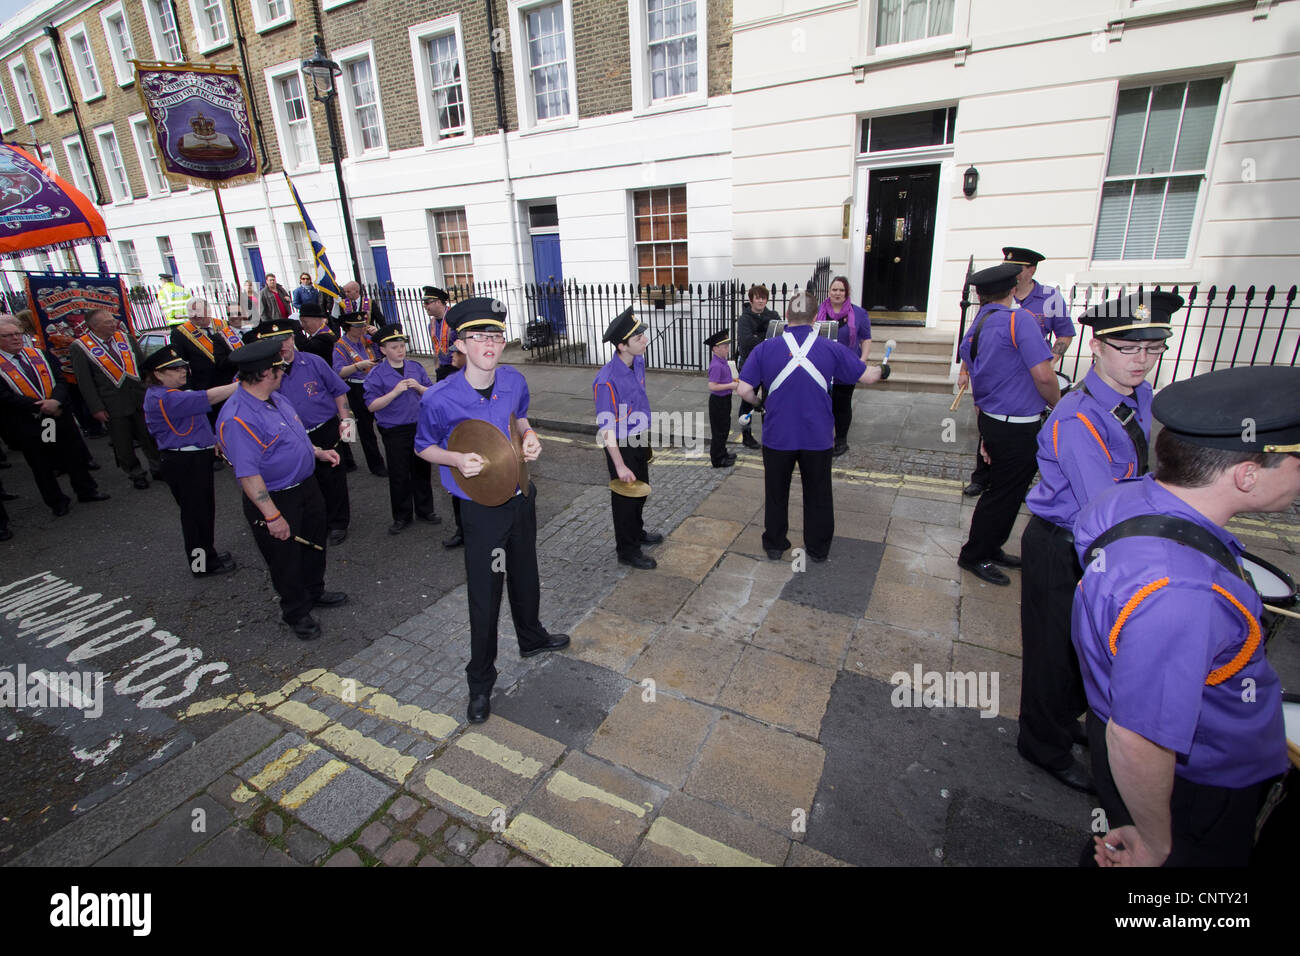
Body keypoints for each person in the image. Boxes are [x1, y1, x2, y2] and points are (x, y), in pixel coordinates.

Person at [1073, 364, 1300, 867]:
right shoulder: (1182, 592)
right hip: (1193, 784)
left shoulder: (1127, 499)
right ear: (1247, 473)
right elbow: (1139, 737)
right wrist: (1157, 843)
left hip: (1141, 750)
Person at [1017, 291, 1179, 795]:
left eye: (1152, 351)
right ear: (1097, 346)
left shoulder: (1139, 397)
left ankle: (1065, 722)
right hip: (1064, 546)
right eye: (1128, 348)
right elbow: (1100, 507)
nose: (1141, 361)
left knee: (1083, 650)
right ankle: (1042, 745)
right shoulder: (1078, 415)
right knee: (1052, 654)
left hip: (1103, 543)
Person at [415, 297, 569, 724]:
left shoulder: (515, 380)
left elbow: (519, 418)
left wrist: (531, 435)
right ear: (460, 345)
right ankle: (480, 682)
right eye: (479, 337)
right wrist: (455, 460)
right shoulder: (440, 398)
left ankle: (532, 637)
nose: (490, 343)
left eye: (496, 336)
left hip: (521, 496)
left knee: (526, 573)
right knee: (485, 597)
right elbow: (423, 446)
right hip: (480, 511)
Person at [736, 292, 885, 562]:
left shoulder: (765, 348)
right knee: (818, 493)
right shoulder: (832, 347)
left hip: (777, 435)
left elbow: (744, 389)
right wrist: (885, 370)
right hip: (817, 437)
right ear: (816, 318)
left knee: (776, 492)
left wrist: (759, 403)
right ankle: (817, 549)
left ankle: (774, 544)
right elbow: (869, 376)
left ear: (786, 317)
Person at [215, 337, 347, 641]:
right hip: (276, 498)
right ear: (264, 373)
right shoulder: (238, 417)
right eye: (278, 368)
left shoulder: (277, 398)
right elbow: (248, 475)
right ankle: (297, 612)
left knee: (314, 543)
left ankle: (315, 591)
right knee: (285, 559)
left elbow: (293, 436)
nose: (283, 372)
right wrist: (272, 516)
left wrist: (317, 452)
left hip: (306, 486)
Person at [955, 262, 1060, 586]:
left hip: (993, 419)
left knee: (1007, 491)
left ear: (980, 294)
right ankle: (975, 554)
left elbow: (971, 373)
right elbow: (1043, 374)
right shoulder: (1021, 321)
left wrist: (984, 427)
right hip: (1017, 425)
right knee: (1003, 493)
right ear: (1013, 288)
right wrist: (1059, 406)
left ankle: (991, 547)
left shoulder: (979, 323)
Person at [964, 247, 1075, 496]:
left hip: (1031, 374)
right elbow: (974, 339)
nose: (1012, 273)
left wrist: (1051, 359)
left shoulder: (1050, 298)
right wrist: (965, 370)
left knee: (1020, 428)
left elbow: (1065, 333)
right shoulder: (997, 297)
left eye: (1018, 269)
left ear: (1032, 269)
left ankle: (1014, 483)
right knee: (992, 424)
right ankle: (983, 478)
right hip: (1000, 375)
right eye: (1008, 267)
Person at [251, 317, 353, 547]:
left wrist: (346, 419)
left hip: (323, 429)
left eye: (286, 338)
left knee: (333, 480)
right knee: (303, 482)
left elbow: (338, 391)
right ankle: (313, 521)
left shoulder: (314, 362)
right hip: (289, 438)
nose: (283, 345)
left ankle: (338, 523)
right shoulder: (262, 374)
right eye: (275, 341)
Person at [142, 345, 238, 578]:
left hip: (191, 456)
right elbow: (210, 397)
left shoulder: (172, 394)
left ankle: (208, 554)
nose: (182, 372)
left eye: (183, 367)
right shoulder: (164, 398)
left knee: (202, 510)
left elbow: (196, 421)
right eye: (174, 369)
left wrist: (211, 440)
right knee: (195, 515)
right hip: (184, 460)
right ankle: (202, 565)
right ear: (158, 374)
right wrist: (242, 384)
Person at [0, 315, 109, 516]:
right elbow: (4, 397)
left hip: (57, 414)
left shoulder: (39, 354)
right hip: (30, 422)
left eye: (17, 334)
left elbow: (61, 379)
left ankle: (86, 490)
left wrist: (55, 401)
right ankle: (57, 501)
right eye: (8, 336)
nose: (15, 338)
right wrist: (40, 406)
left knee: (72, 453)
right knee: (41, 463)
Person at [593, 307, 663, 570]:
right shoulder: (606, 381)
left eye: (642, 334)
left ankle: (638, 531)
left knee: (641, 490)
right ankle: (627, 550)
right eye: (638, 338)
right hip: (619, 444)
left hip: (637, 437)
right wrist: (620, 465)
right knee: (625, 499)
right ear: (622, 346)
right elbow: (606, 428)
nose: (645, 340)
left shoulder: (638, 361)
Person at [71, 309, 161, 490]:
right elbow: (85, 382)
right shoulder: (80, 347)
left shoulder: (125, 338)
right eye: (107, 322)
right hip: (111, 403)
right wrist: (96, 408)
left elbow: (143, 364)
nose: (113, 324)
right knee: (123, 443)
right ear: (94, 326)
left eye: (113, 320)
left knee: (149, 435)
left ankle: (158, 468)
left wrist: (153, 386)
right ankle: (136, 474)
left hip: (138, 397)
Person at [364, 324, 438, 534]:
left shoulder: (415, 367)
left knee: (422, 471)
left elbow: (432, 395)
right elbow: (371, 405)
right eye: (394, 347)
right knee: (399, 474)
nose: (400, 350)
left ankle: (425, 510)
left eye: (402, 346)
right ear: (383, 350)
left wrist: (420, 387)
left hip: (418, 426)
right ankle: (402, 515)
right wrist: (395, 392)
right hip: (395, 430)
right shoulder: (376, 374)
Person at [816, 276, 872, 457]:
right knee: (822, 404)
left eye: (841, 290)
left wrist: (861, 361)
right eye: (834, 290)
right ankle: (822, 438)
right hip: (822, 367)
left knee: (842, 405)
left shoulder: (859, 313)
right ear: (829, 291)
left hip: (846, 367)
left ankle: (841, 441)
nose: (837, 293)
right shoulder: (818, 312)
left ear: (846, 293)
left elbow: (866, 338)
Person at [333, 303, 387, 477]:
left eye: (363, 325)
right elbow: (338, 371)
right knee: (366, 429)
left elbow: (385, 351)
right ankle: (376, 465)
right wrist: (358, 365)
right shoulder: (340, 346)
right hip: (356, 387)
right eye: (358, 326)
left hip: (375, 383)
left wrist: (377, 336)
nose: (362, 328)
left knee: (384, 423)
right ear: (348, 328)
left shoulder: (368, 339)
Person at [169, 297, 242, 413]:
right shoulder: (180, 333)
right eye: (191, 312)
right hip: (207, 388)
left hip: (233, 382)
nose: (195, 315)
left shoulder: (225, 325)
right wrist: (187, 389)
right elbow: (181, 363)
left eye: (198, 311)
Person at [735, 284, 778, 450]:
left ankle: (769, 435)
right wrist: (765, 338)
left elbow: (779, 338)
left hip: (769, 366)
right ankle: (746, 436)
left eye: (763, 297)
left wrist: (757, 336)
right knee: (747, 400)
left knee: (768, 401)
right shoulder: (745, 319)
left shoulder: (773, 315)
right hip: (749, 365)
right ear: (751, 299)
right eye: (757, 297)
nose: (760, 300)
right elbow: (746, 344)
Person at [704, 330, 737, 468]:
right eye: (724, 347)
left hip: (725, 399)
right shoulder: (716, 365)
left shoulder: (723, 361)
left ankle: (723, 453)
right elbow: (712, 386)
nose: (727, 349)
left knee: (724, 428)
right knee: (719, 431)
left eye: (727, 346)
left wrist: (733, 381)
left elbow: (724, 379)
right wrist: (731, 385)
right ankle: (717, 459)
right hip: (718, 402)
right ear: (715, 349)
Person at [423, 286, 458, 381]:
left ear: (438, 302)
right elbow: (435, 350)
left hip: (458, 369)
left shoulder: (456, 319)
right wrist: (437, 369)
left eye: (427, 303)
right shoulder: (431, 324)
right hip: (442, 370)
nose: (425, 306)